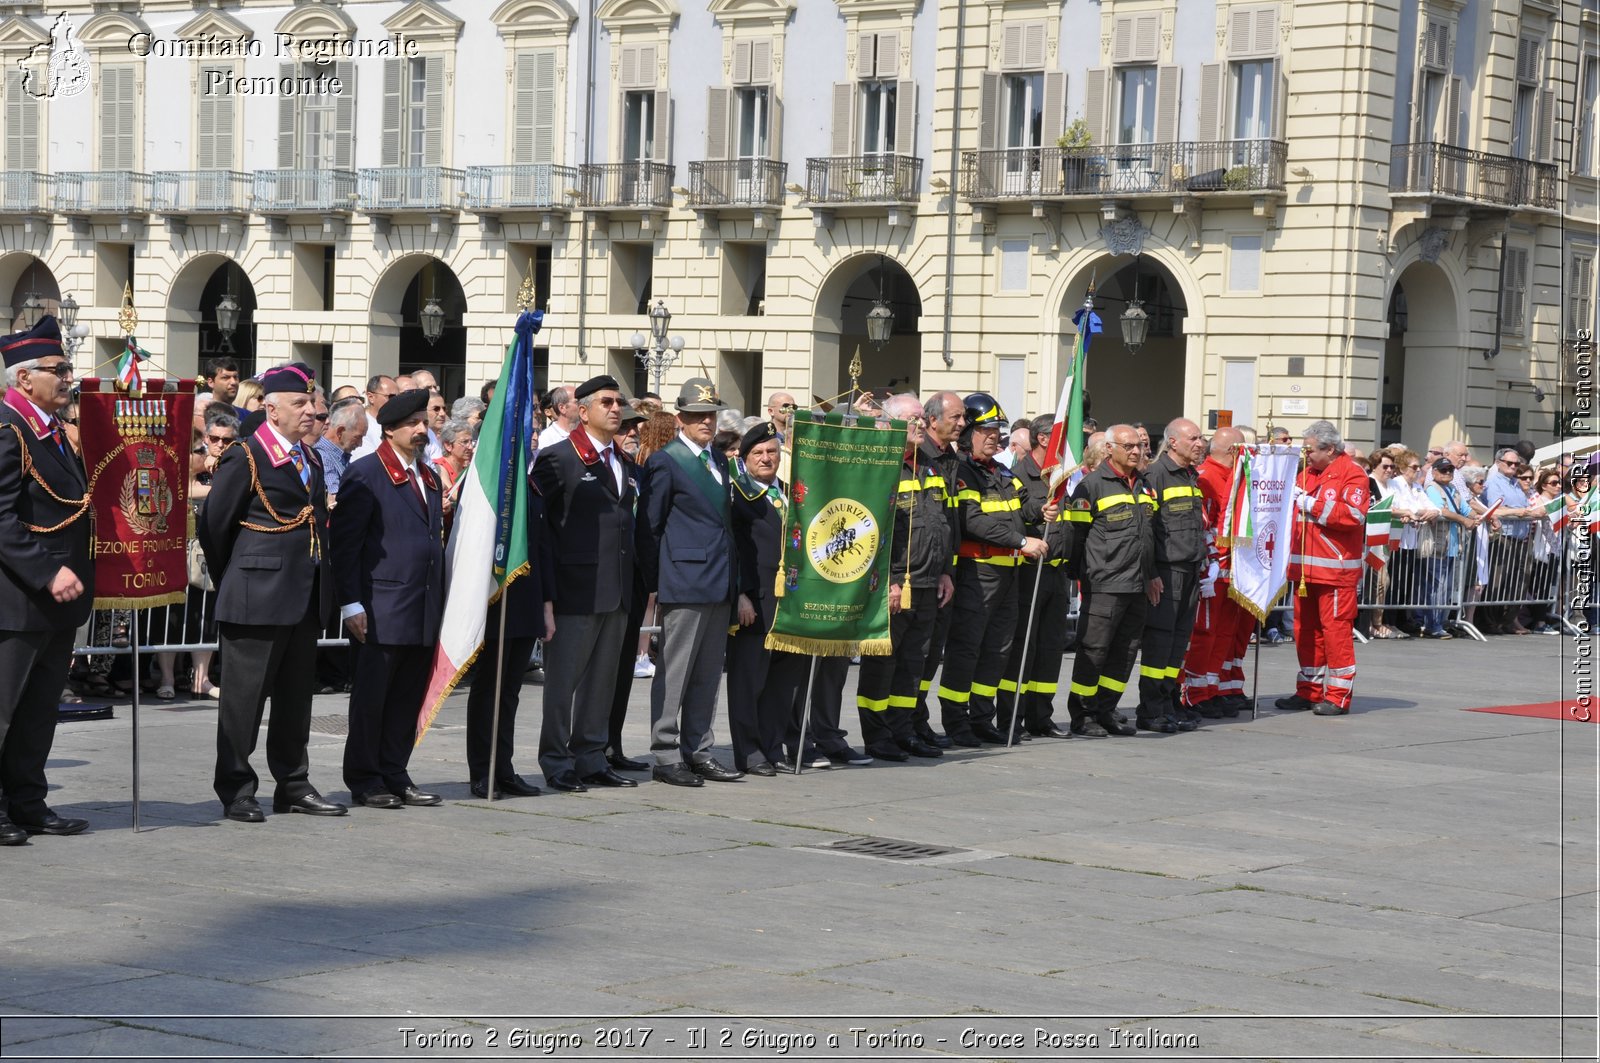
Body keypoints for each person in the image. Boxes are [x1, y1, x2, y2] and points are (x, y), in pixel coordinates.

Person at [201, 362, 346, 821]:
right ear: (271, 408)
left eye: (312, 404)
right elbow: (214, 525)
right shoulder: (245, 455)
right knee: (244, 699)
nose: (310, 412)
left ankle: (293, 783)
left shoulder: (313, 457)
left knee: (295, 698)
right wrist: (240, 578)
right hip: (256, 594)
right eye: (299, 403)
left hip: (302, 595)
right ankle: (237, 787)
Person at [0, 316, 93, 843]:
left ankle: (28, 801)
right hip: (17, 597)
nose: (68, 377)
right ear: (24, 378)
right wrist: (45, 570)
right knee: (4, 709)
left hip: (58, 597)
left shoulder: (52, 430)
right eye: (58, 369)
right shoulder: (8, 429)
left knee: (39, 712)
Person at [331, 389, 446, 809]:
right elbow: (345, 547)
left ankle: (395, 771)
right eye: (412, 423)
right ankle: (365, 777)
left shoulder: (428, 476)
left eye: (423, 421)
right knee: (372, 699)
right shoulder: (366, 473)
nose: (421, 429)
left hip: (421, 607)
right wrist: (351, 603)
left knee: (405, 700)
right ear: (390, 428)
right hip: (380, 607)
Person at [532, 375, 641, 792]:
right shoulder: (559, 458)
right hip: (574, 589)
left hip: (616, 588)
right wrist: (546, 595)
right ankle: (556, 761)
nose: (616, 409)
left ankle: (591, 756)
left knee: (602, 682)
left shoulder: (623, 461)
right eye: (607, 402)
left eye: (619, 402)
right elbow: (544, 529)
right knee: (563, 684)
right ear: (582, 410)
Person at [640, 378, 743, 786]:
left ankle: (699, 749)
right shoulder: (666, 460)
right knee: (676, 671)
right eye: (698, 416)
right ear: (681, 418)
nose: (706, 422)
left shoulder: (717, 460)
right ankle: (666, 754)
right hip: (684, 578)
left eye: (711, 415)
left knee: (706, 673)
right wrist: (658, 580)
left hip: (718, 578)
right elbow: (650, 525)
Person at [936, 393, 1048, 746]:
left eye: (998, 429)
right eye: (987, 430)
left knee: (997, 650)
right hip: (977, 574)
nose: (995, 436)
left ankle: (982, 718)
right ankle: (956, 721)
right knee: (967, 649)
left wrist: (1046, 504)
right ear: (968, 433)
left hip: (1007, 576)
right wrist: (1021, 541)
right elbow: (974, 522)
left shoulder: (1001, 472)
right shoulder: (963, 472)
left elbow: (1024, 507)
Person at [1063, 424, 1154, 738]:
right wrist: (1079, 575)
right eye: (1128, 446)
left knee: (1125, 653)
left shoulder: (1143, 484)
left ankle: (1106, 709)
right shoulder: (1091, 486)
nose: (1135, 451)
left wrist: (1151, 575)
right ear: (1110, 448)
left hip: (1137, 584)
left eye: (1138, 447)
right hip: (1104, 583)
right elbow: (1075, 536)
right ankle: (1083, 714)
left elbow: (1149, 535)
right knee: (1094, 651)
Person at [1275, 420, 1369, 717]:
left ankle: (1339, 695)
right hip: (1305, 571)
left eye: (1310, 449)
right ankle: (1309, 690)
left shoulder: (1352, 474)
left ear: (1329, 449)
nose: (1305, 454)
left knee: (1336, 634)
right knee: (1305, 633)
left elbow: (1353, 515)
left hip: (1336, 572)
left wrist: (1311, 504)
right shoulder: (1305, 473)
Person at [994, 414, 1074, 741]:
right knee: (1023, 648)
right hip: (1030, 573)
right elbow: (1015, 520)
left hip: (1058, 572)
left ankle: (1042, 716)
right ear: (1045, 439)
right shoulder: (1019, 476)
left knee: (1051, 648)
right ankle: (1013, 716)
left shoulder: (1064, 476)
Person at [1133, 418, 1207, 734]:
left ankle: (1167, 704)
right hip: (1167, 572)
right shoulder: (1155, 475)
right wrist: (1150, 574)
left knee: (1178, 645)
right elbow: (1146, 531)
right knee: (1159, 645)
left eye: (1202, 438)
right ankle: (1150, 710)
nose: (1200, 443)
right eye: (1193, 438)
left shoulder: (1190, 476)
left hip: (1190, 570)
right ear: (1173, 442)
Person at [726, 423, 790, 775]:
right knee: (749, 680)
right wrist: (741, 595)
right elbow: (734, 548)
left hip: (788, 602)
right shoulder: (737, 494)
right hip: (756, 599)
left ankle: (772, 744)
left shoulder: (789, 494)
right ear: (745, 458)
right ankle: (748, 750)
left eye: (772, 452)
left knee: (781, 682)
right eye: (758, 454)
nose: (766, 459)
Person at [1180, 426, 1254, 718]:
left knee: (1224, 633)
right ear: (1233, 451)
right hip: (1215, 569)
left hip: (1234, 569)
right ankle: (1196, 692)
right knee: (1205, 633)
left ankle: (1214, 688)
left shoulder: (1233, 478)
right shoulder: (1208, 478)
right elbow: (1205, 526)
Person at [912, 391, 966, 749]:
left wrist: (947, 569)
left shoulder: (950, 458)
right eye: (955, 417)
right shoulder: (921, 456)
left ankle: (916, 720)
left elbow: (946, 520)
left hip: (940, 570)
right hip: (912, 573)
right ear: (933, 420)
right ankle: (909, 723)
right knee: (913, 655)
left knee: (930, 654)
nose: (962, 424)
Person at [602, 402, 652, 772]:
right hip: (602, 582)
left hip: (631, 580)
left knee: (621, 670)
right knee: (598, 672)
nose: (632, 433)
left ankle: (613, 743)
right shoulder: (604, 467)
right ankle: (591, 743)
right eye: (627, 428)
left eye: (636, 428)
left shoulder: (635, 470)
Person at [1480, 448, 1540, 634]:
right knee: (1498, 580)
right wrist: (1518, 512)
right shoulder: (1493, 482)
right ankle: (1488, 621)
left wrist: (1529, 512)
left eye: (1516, 464)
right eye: (1510, 463)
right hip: (1503, 536)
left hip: (1520, 538)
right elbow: (1494, 509)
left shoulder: (1516, 483)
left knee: (1517, 581)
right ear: (1498, 463)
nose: (1514, 467)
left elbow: (1523, 506)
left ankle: (1506, 621)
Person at [317, 397, 366, 503]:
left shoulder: (342, 456)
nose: (360, 444)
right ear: (340, 431)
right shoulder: (322, 456)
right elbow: (336, 499)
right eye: (357, 437)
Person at [350, 374, 398, 460]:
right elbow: (366, 462)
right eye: (391, 397)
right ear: (371, 397)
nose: (396, 401)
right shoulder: (360, 425)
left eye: (398, 397)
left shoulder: (400, 424)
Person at [537, 386, 578, 451]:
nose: (582, 405)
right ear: (562, 408)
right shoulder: (545, 438)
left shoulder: (586, 432)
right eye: (577, 402)